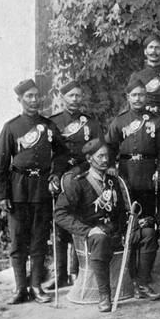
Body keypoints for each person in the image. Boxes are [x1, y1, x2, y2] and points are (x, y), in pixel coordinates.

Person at [0, 79, 68, 304]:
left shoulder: (48, 126)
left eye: (37, 96)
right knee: (18, 240)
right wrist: (3, 194)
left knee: (39, 238)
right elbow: (1, 163)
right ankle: (20, 289)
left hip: (42, 188)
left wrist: (55, 175)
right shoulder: (11, 127)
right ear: (20, 100)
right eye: (29, 96)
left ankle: (36, 286)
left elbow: (62, 154)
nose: (34, 100)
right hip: (18, 188)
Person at [105, 78, 160, 299]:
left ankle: (144, 279)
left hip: (149, 180)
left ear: (146, 96)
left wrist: (159, 170)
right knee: (128, 230)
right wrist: (112, 169)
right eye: (134, 95)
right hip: (126, 179)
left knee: (148, 229)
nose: (138, 98)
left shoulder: (157, 122)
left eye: (142, 94)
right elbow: (109, 149)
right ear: (128, 97)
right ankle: (129, 278)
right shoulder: (119, 122)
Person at [54, 139, 126, 312]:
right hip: (93, 235)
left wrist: (130, 226)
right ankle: (104, 295)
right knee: (100, 239)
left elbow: (121, 210)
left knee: (148, 233)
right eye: (100, 156)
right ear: (89, 158)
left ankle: (142, 285)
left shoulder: (112, 181)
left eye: (107, 156)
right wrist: (87, 230)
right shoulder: (78, 183)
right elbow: (60, 214)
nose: (104, 160)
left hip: (114, 230)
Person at [48, 80, 103, 288]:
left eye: (78, 96)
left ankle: (76, 271)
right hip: (60, 174)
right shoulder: (53, 123)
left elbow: (99, 149)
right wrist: (53, 175)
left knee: (80, 219)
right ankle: (60, 273)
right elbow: (50, 153)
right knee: (60, 223)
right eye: (70, 96)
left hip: (83, 174)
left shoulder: (91, 123)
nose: (74, 99)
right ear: (62, 98)